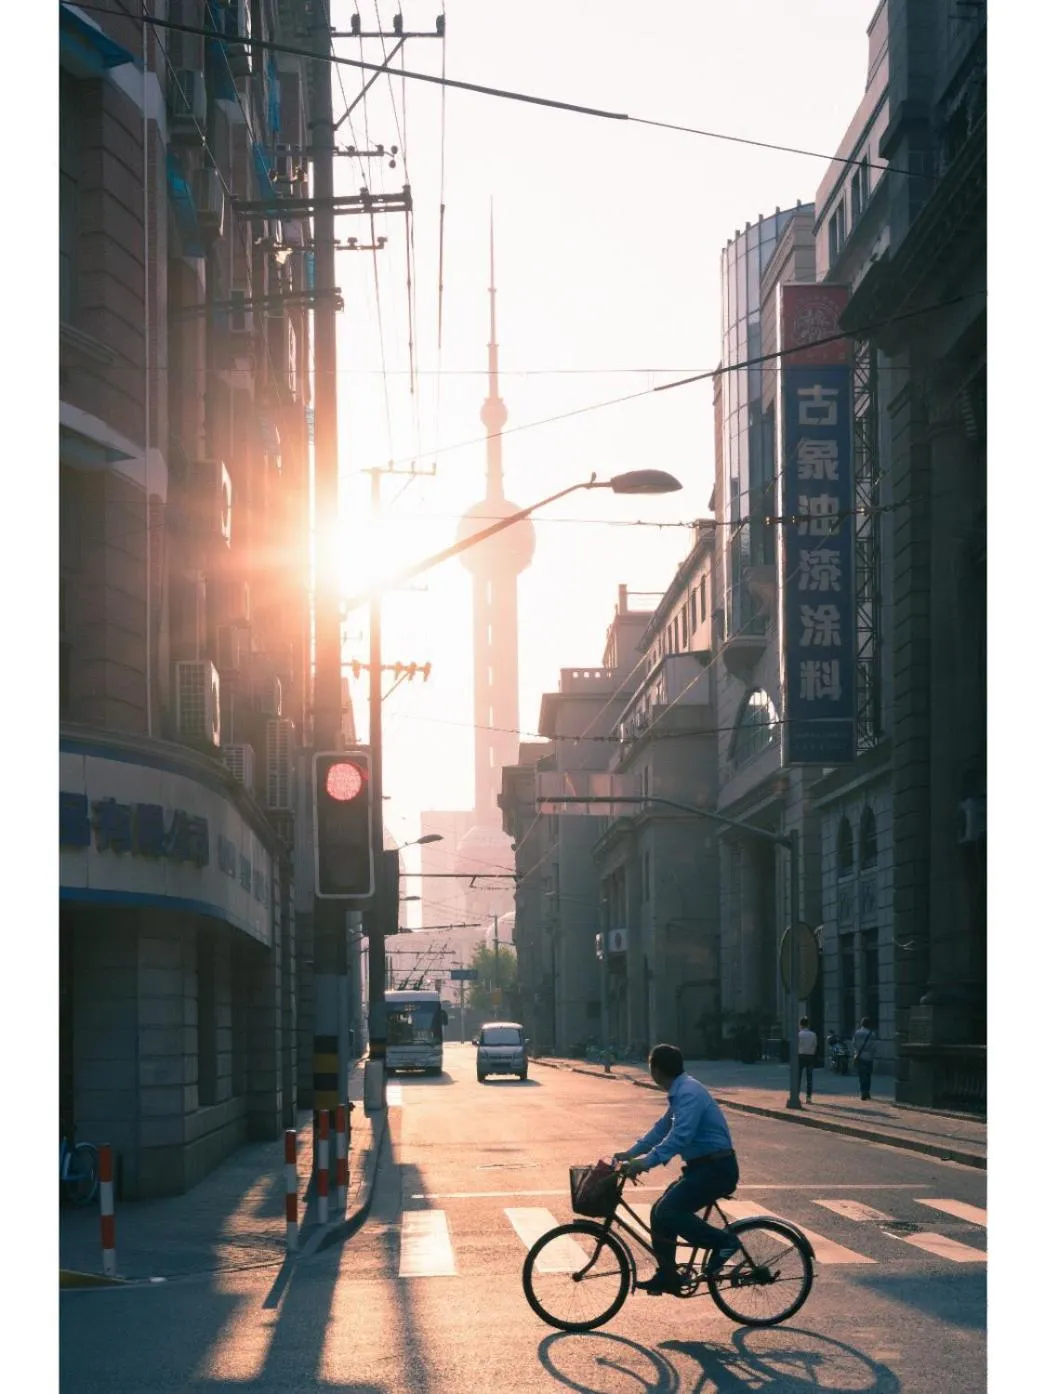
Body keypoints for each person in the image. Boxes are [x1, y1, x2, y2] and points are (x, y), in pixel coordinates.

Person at [612, 1043, 740, 1296]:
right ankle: (667, 1274)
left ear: (656, 1070)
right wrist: (631, 1153)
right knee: (658, 1212)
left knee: (670, 1210)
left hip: (716, 1168)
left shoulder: (689, 1093)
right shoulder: (681, 1091)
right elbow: (661, 1128)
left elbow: (679, 1137)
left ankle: (724, 1242)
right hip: (701, 1168)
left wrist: (644, 1163)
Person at [852, 1017, 876, 1100]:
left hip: (860, 1056)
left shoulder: (857, 1033)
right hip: (869, 1056)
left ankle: (863, 1092)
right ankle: (867, 1092)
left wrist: (857, 1051)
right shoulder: (871, 1034)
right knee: (868, 1075)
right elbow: (873, 1046)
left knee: (861, 1075)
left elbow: (854, 1044)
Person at [797, 1017, 817, 1102]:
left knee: (798, 1077)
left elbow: (796, 1046)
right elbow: (815, 1046)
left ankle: (796, 1096)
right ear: (808, 1025)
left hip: (801, 1055)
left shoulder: (799, 1034)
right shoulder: (813, 1034)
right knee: (809, 1078)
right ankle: (809, 1097)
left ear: (801, 1025)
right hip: (810, 1056)